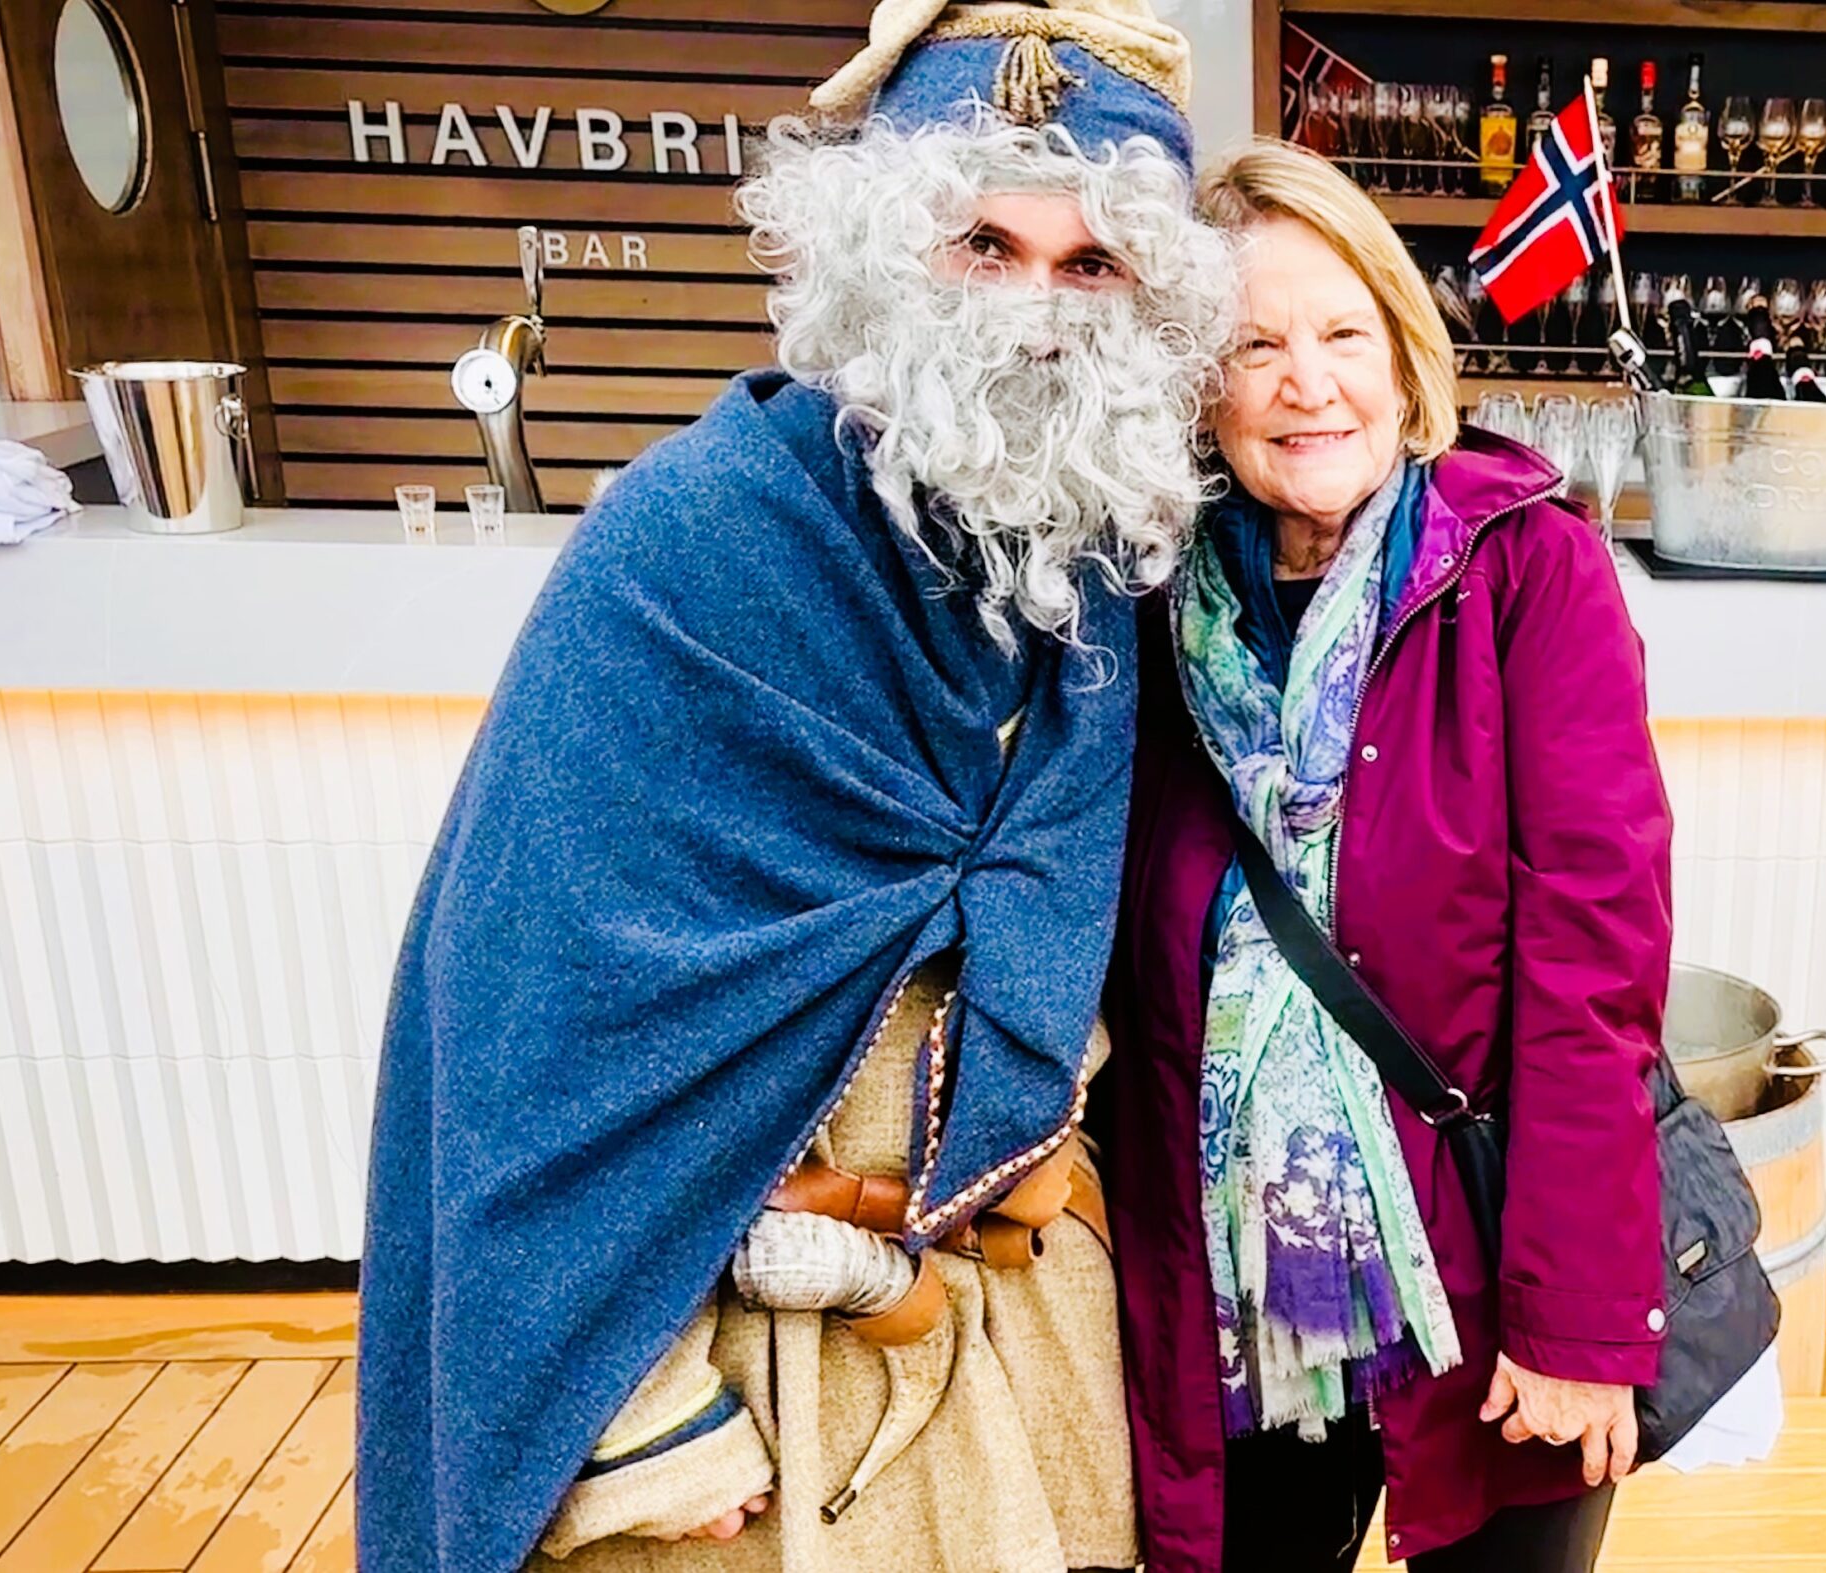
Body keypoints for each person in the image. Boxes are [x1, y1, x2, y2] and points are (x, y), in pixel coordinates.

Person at [353, 4, 1236, 1570]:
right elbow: (523, 1021)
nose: (1038, 313)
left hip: (1003, 1306)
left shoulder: (1103, 555)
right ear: (884, 255)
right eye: (986, 244)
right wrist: (639, 1429)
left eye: (1092, 264)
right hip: (745, 1360)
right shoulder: (691, 542)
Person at [1098, 141, 1676, 1573]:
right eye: (1256, 344)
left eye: (1344, 333)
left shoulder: (1529, 575)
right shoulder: (1143, 609)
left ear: (1407, 366)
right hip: (1230, 1303)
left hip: (1486, 1283)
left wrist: (1579, 1324)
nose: (1309, 380)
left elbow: (1592, 973)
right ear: (1198, 388)